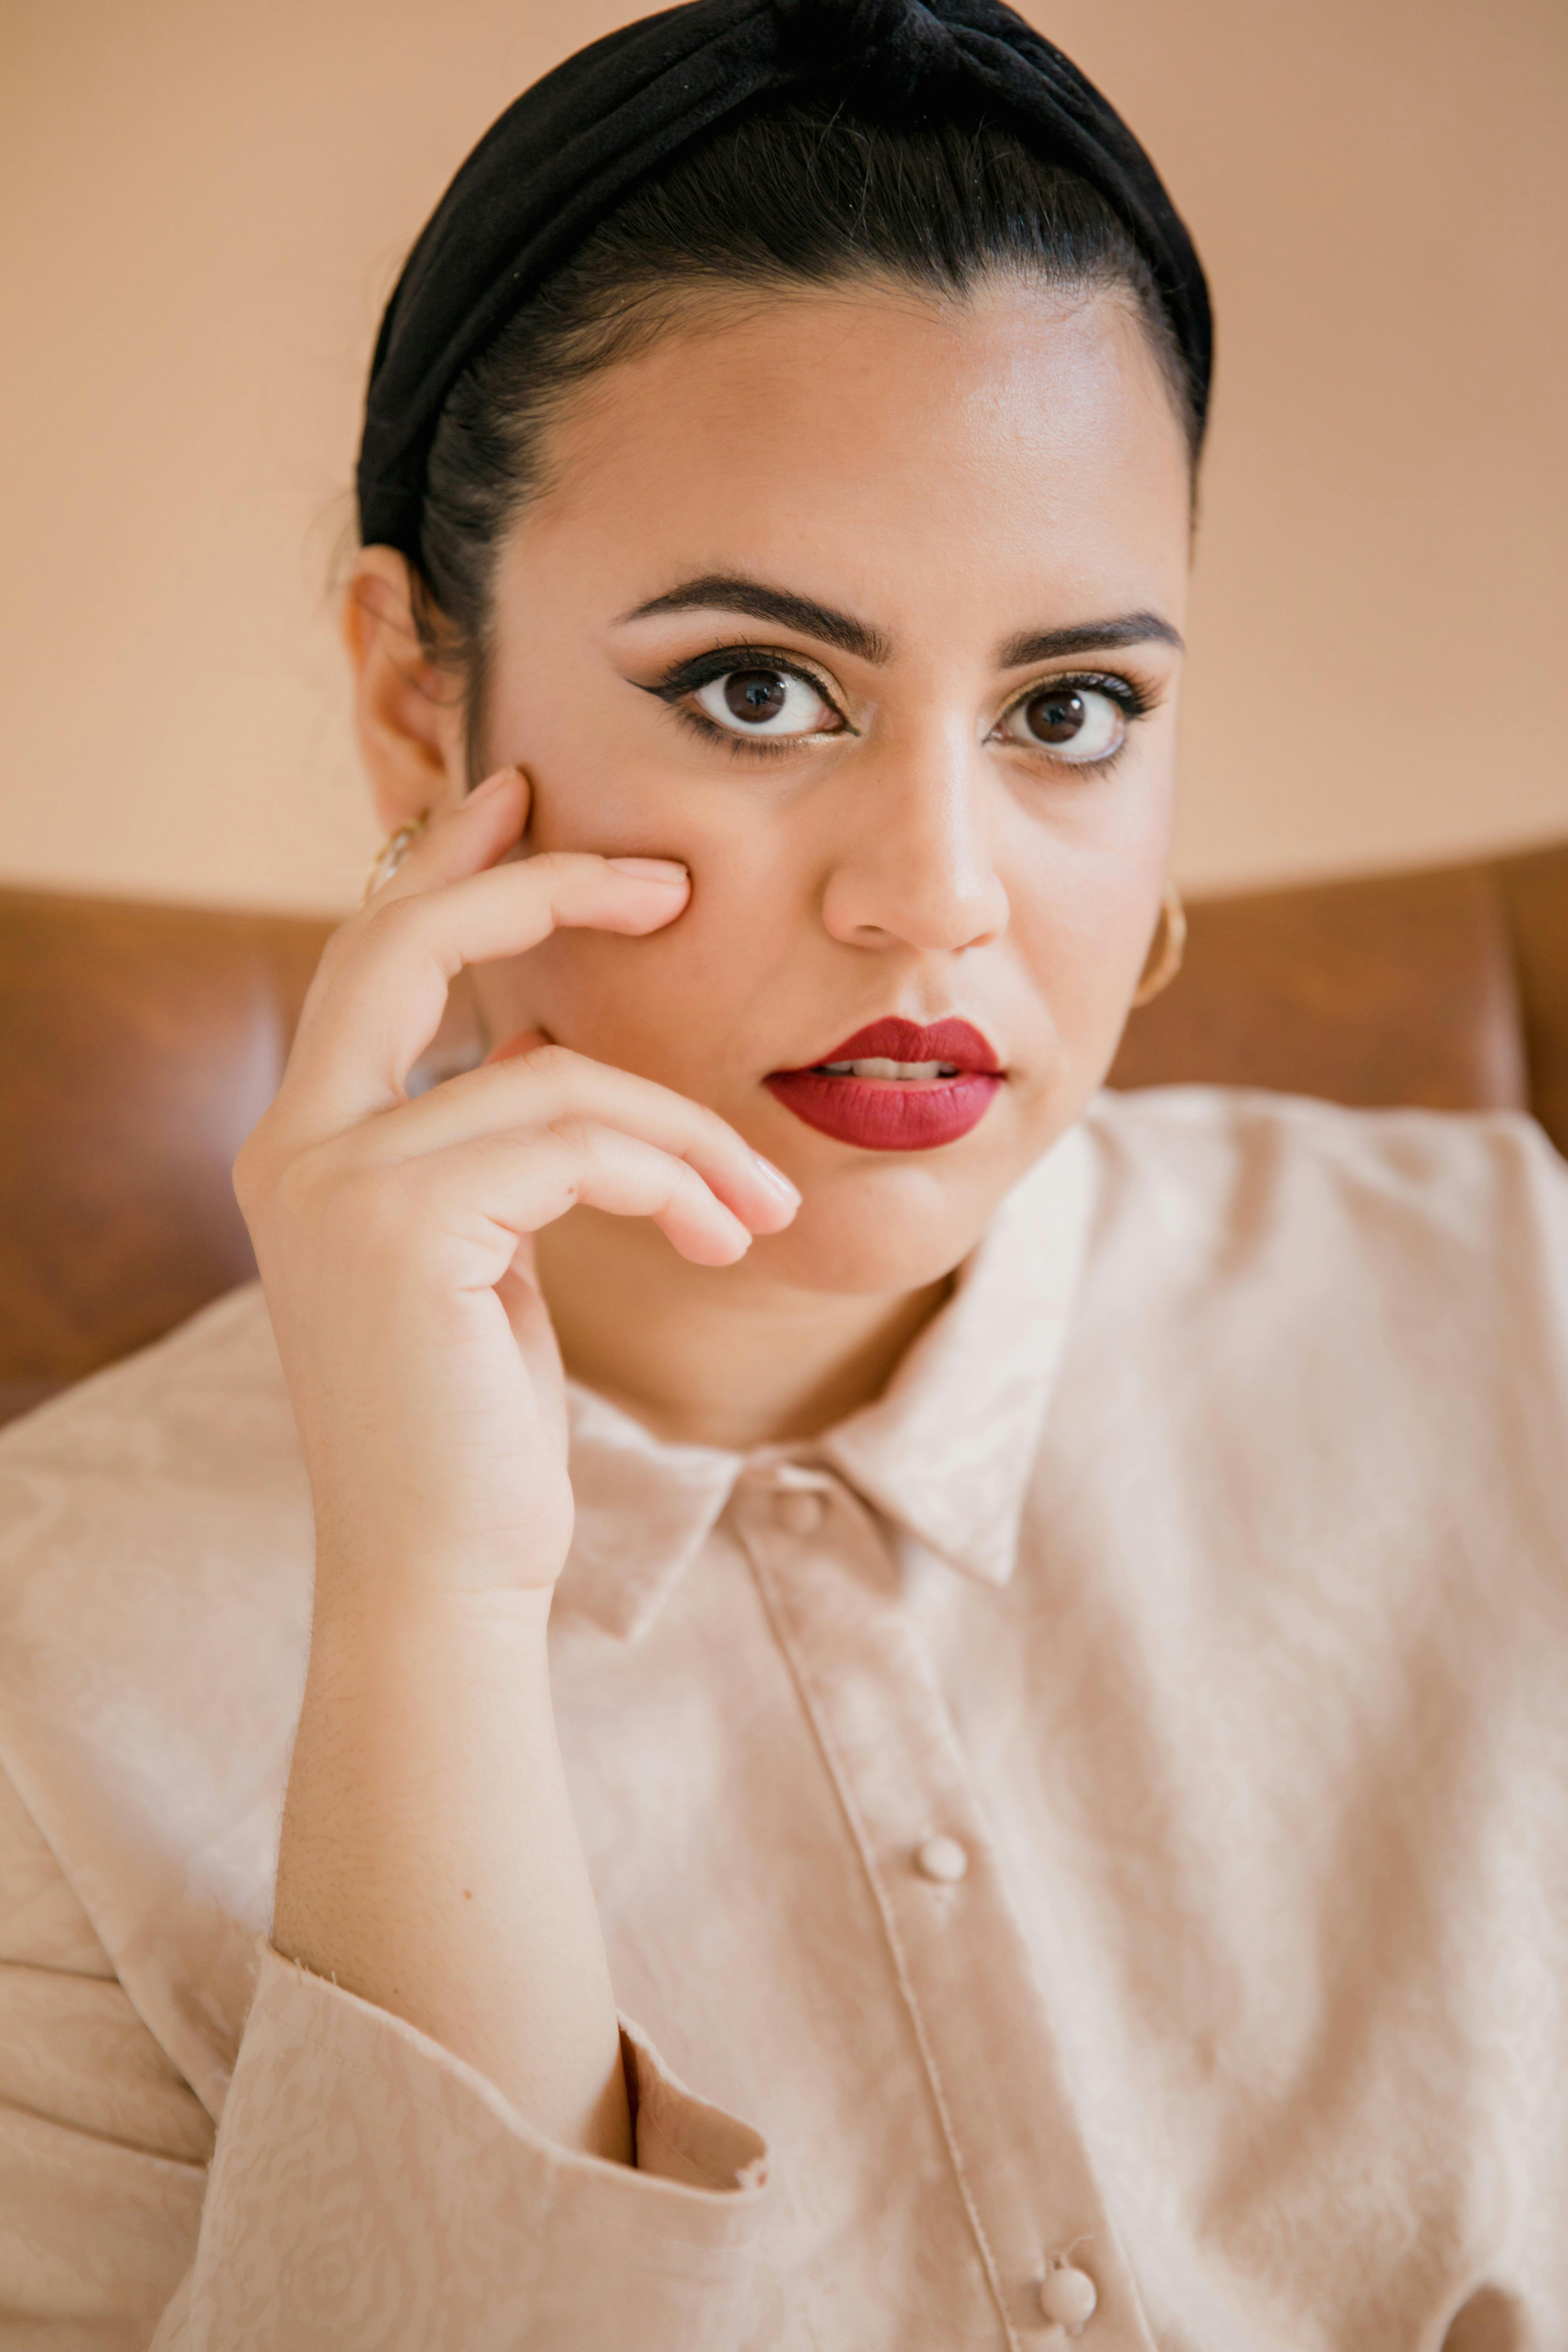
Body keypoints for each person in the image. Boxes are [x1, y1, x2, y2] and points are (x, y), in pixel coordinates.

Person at [1, 2, 1564, 2345]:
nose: (933, 893)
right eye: (758, 687)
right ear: (421, 700)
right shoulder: (54, 1683)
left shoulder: (1513, 1307)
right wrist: (431, 1616)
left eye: (1069, 712)